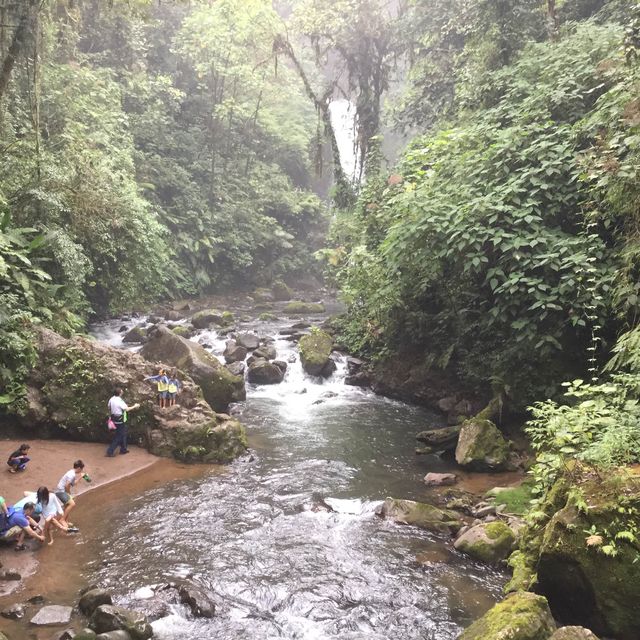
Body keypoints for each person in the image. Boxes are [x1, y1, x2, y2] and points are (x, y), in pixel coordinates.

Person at [106, 387, 140, 457]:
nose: (122, 392)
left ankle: (123, 449)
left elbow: (109, 407)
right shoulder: (119, 401)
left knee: (123, 433)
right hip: (120, 419)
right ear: (120, 393)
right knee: (119, 436)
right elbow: (126, 409)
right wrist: (135, 406)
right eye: (122, 391)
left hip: (114, 418)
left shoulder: (111, 399)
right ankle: (110, 451)